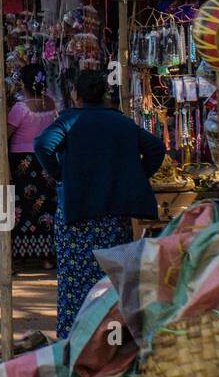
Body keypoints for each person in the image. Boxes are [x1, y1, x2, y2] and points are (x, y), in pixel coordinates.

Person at [34, 69, 163, 337]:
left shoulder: (69, 121)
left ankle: (75, 340)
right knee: (112, 280)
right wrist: (137, 175)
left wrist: (60, 175)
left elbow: (43, 145)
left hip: (76, 215)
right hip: (114, 218)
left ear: (76, 95)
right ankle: (111, 341)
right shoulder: (121, 122)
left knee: (74, 283)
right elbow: (155, 148)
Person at [6, 63, 59, 267]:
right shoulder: (51, 103)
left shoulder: (20, 108)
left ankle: (22, 251)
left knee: (23, 206)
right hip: (46, 159)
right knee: (46, 204)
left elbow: (7, 135)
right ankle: (47, 256)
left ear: (22, 83)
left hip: (23, 163)